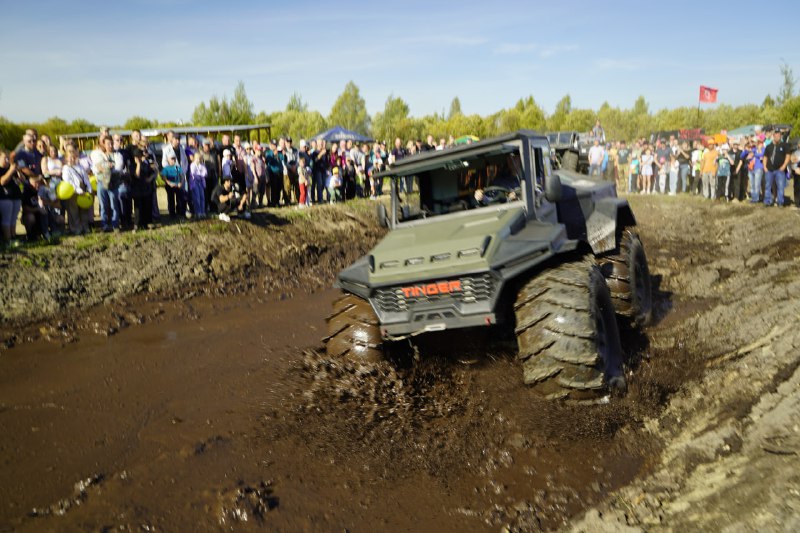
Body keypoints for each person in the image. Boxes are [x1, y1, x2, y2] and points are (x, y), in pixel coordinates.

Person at [61, 145, 92, 235]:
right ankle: (75, 229)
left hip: (83, 189)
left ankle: (85, 227)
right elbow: (68, 181)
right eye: (70, 158)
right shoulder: (66, 168)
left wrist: (88, 188)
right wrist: (78, 190)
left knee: (83, 210)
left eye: (74, 157)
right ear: (66, 159)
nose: (72, 159)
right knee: (73, 211)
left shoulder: (80, 167)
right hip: (73, 191)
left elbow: (86, 178)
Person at [91, 135, 120, 231]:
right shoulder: (98, 155)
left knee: (114, 205)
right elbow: (97, 168)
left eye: (111, 143)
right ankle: (104, 224)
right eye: (108, 143)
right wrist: (106, 166)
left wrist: (105, 167)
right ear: (103, 144)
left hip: (113, 183)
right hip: (101, 183)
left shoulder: (117, 155)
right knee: (103, 205)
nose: (110, 145)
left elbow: (118, 168)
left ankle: (115, 224)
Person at [0, 150, 23, 246]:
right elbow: (2, 182)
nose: (7, 160)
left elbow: (21, 181)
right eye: (4, 158)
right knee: (7, 219)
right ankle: (8, 239)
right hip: (5, 197)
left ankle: (13, 236)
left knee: (14, 219)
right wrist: (10, 171)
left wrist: (18, 171)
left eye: (7, 158)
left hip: (16, 196)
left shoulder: (11, 168)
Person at [762, 130, 791, 207]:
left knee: (780, 186)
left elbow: (788, 156)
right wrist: (764, 167)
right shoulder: (769, 146)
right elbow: (765, 157)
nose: (777, 137)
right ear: (773, 136)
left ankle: (780, 202)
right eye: (776, 136)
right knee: (767, 186)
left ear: (780, 136)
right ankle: (768, 201)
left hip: (779, 170)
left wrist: (784, 166)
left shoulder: (785, 145)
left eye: (779, 136)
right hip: (769, 170)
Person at [130, 147, 155, 230]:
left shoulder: (145, 165)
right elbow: (136, 175)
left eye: (140, 156)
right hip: (137, 189)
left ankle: (147, 222)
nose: (139, 158)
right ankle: (137, 224)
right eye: (137, 157)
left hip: (146, 188)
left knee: (147, 206)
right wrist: (138, 165)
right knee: (138, 208)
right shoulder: (132, 166)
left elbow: (153, 173)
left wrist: (150, 178)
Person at [162, 154, 186, 219]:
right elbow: (164, 177)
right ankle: (172, 214)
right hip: (169, 186)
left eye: (174, 159)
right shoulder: (166, 168)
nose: (173, 161)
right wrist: (169, 183)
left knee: (179, 199)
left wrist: (181, 183)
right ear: (168, 160)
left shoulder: (177, 167)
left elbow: (182, 175)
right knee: (171, 199)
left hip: (177, 185)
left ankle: (180, 212)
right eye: (171, 159)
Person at [188, 151, 207, 219]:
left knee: (202, 197)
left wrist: (200, 175)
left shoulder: (202, 165)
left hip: (201, 183)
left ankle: (202, 212)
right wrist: (200, 175)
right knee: (196, 197)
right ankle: (198, 212)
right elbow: (194, 174)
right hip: (194, 182)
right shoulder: (192, 165)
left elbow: (205, 173)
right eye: (197, 158)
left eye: (200, 158)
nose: (198, 160)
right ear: (194, 158)